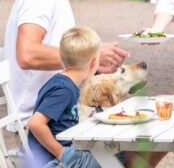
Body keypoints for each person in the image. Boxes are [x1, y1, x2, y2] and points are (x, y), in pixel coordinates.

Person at [4, 0, 129, 122]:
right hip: (37, 123)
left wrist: (93, 67)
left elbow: (62, 61)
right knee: (142, 139)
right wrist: (91, 55)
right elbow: (27, 55)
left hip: (57, 111)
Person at [26, 26, 124, 167]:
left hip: (70, 151)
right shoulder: (63, 89)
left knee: (112, 149)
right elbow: (35, 123)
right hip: (56, 160)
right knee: (115, 152)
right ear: (93, 62)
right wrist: (61, 153)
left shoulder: (66, 83)